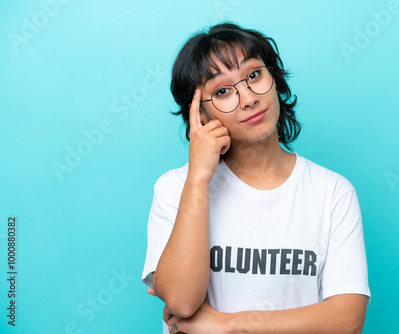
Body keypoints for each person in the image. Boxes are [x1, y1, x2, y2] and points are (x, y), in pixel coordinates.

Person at [142, 22, 371, 334]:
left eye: (253, 75)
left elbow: (347, 321)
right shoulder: (174, 188)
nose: (248, 98)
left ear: (273, 78)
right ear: (201, 115)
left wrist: (227, 326)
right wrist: (198, 178)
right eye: (222, 91)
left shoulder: (333, 192)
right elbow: (182, 302)